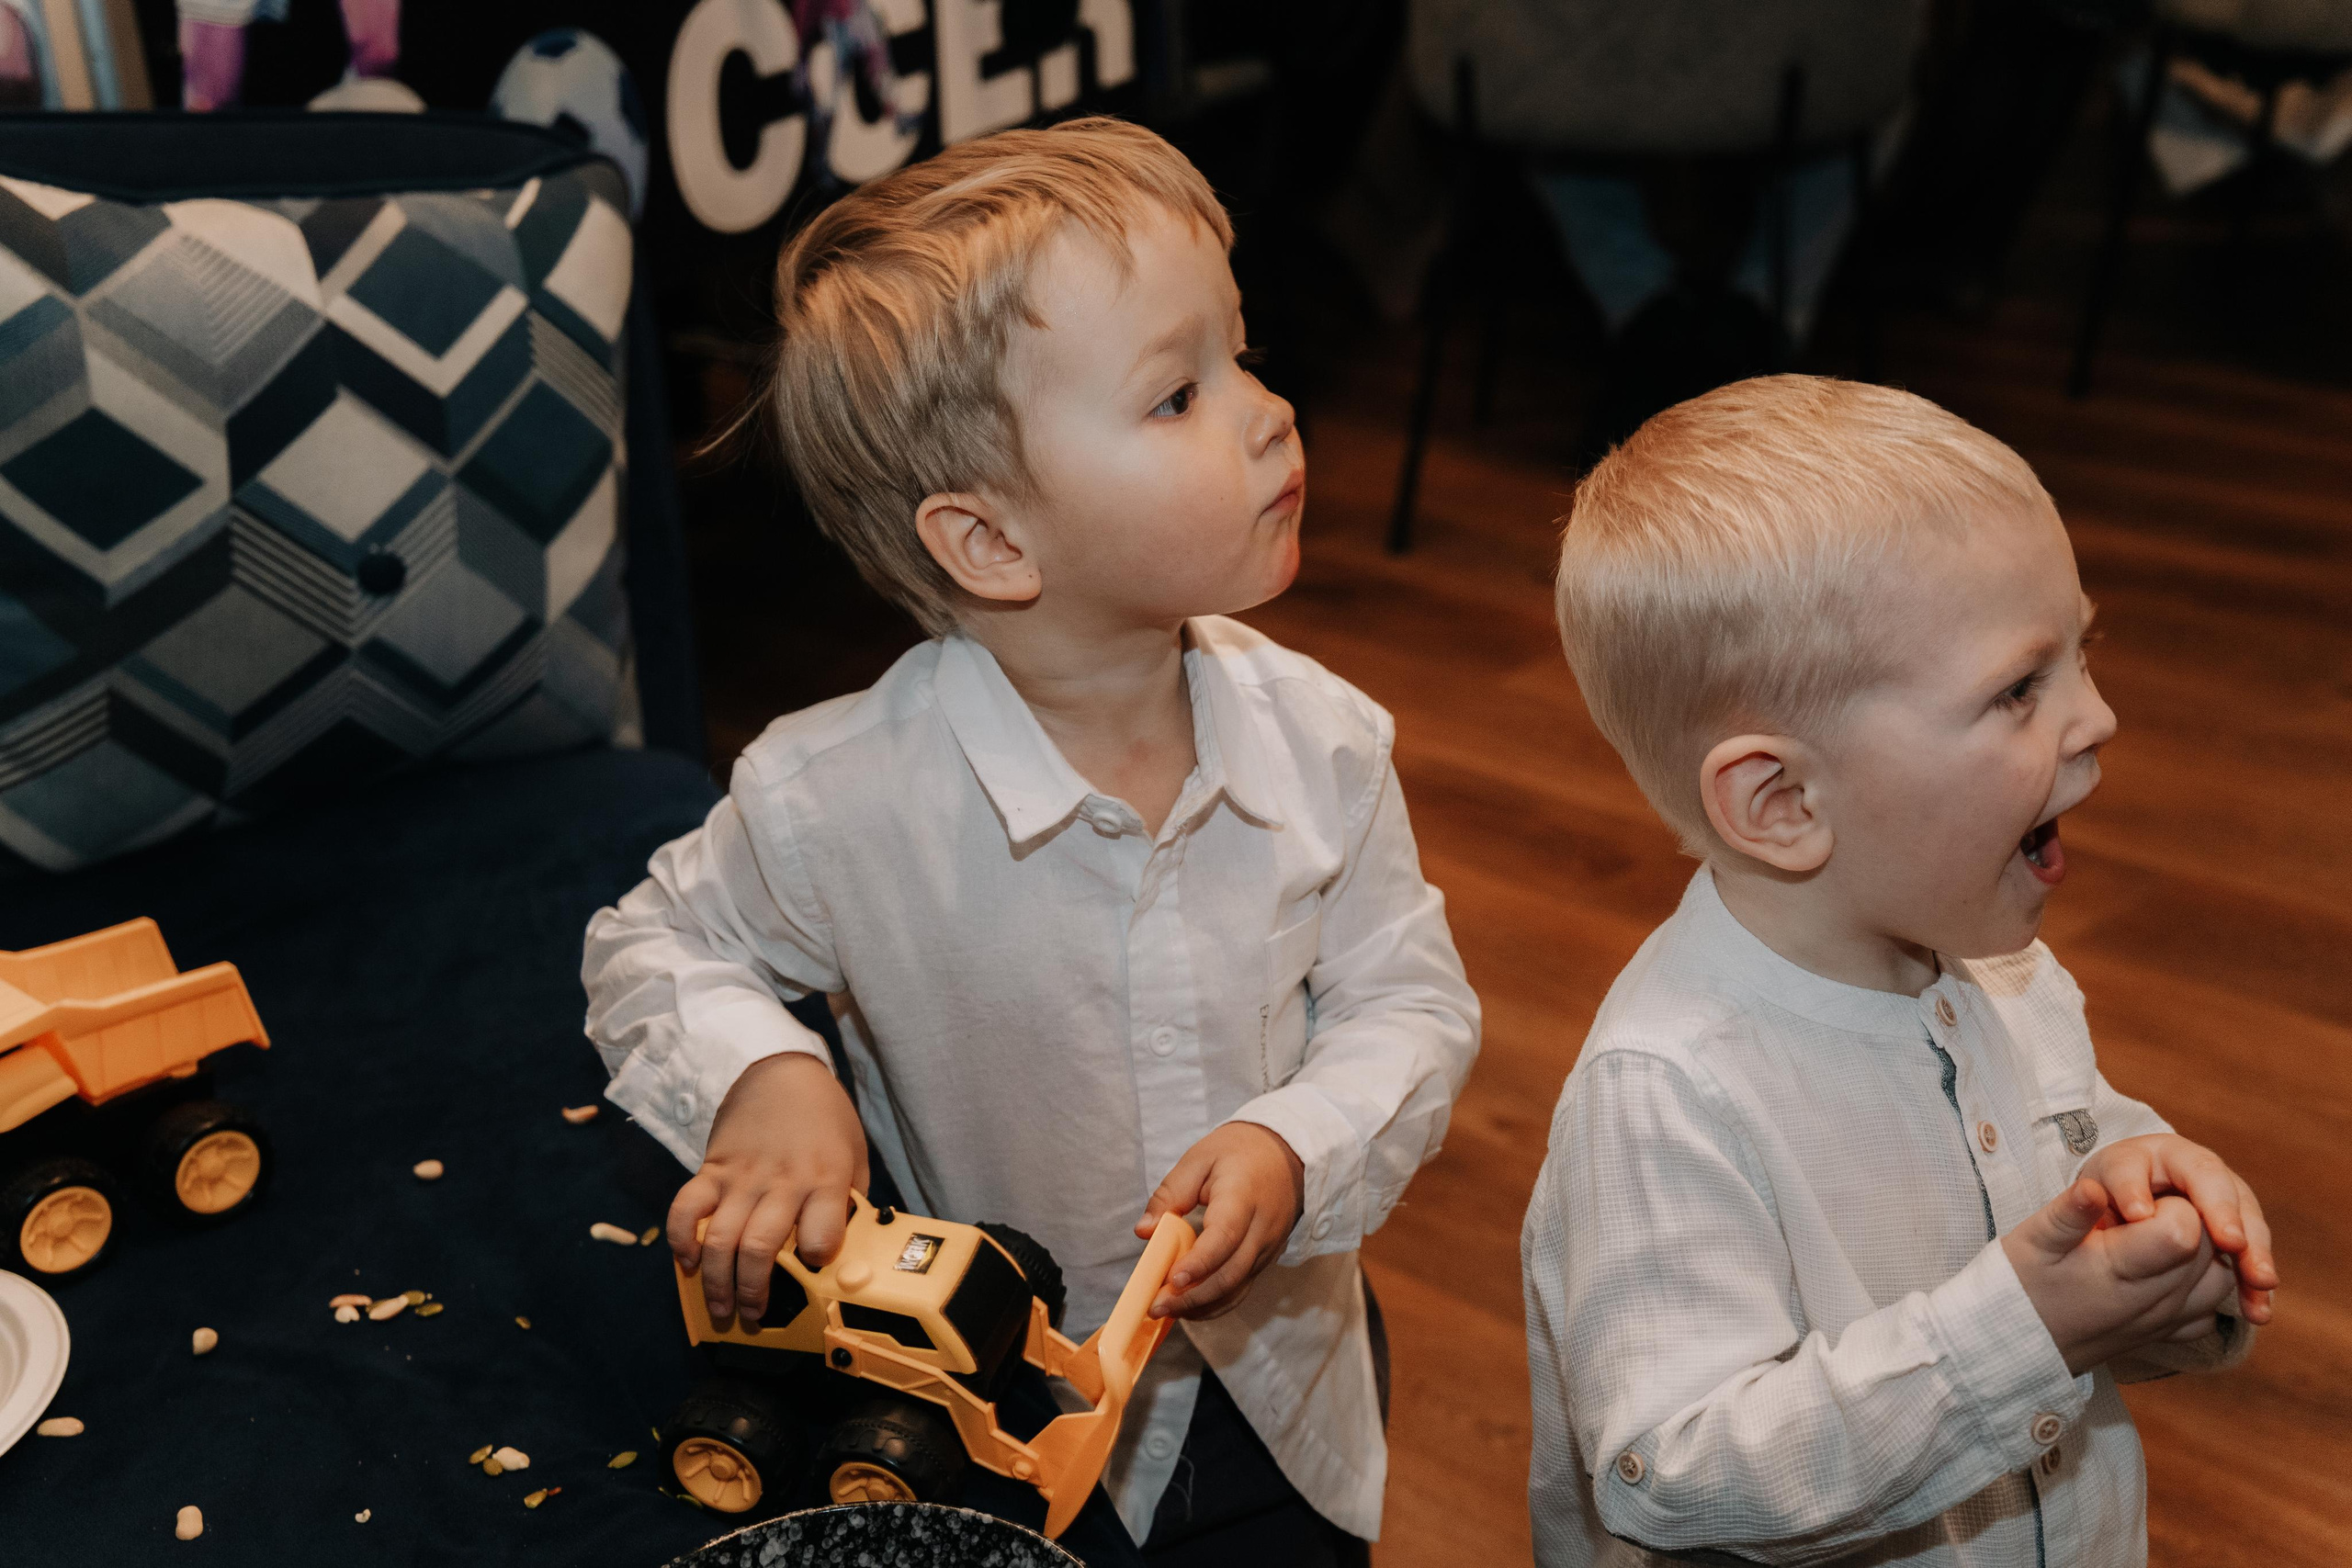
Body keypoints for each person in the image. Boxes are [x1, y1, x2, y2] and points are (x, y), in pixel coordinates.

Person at [582, 117, 1479, 1563]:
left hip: (1283, 1386)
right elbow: (653, 942)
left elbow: (1410, 1002)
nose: (1270, 412)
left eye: (1242, 353)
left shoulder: (1325, 743)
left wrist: (1298, 1140)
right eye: (1178, 393)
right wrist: (769, 1074)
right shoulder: (834, 795)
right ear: (991, 543)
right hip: (989, 1402)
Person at [1524, 376, 2277, 1566]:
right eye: (2020, 688)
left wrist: (2148, 1196)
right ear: (1784, 801)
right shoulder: (1667, 1092)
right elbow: (1671, 1476)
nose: (2098, 718)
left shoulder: (2012, 976)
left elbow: (2066, 1158)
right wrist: (2022, 1331)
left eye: (2083, 653)